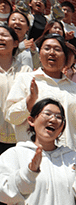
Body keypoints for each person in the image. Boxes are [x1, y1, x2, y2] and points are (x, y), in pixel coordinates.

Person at [6, 34, 76, 152]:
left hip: (67, 158)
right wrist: (28, 103)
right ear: (39, 55)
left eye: (57, 49)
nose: (52, 52)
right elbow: (11, 117)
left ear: (65, 58)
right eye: (47, 48)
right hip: (32, 155)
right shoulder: (25, 80)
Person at [0, 24, 31, 152]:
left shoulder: (25, 71)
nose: (0, 38)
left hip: (20, 138)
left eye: (4, 35)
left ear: (15, 43)